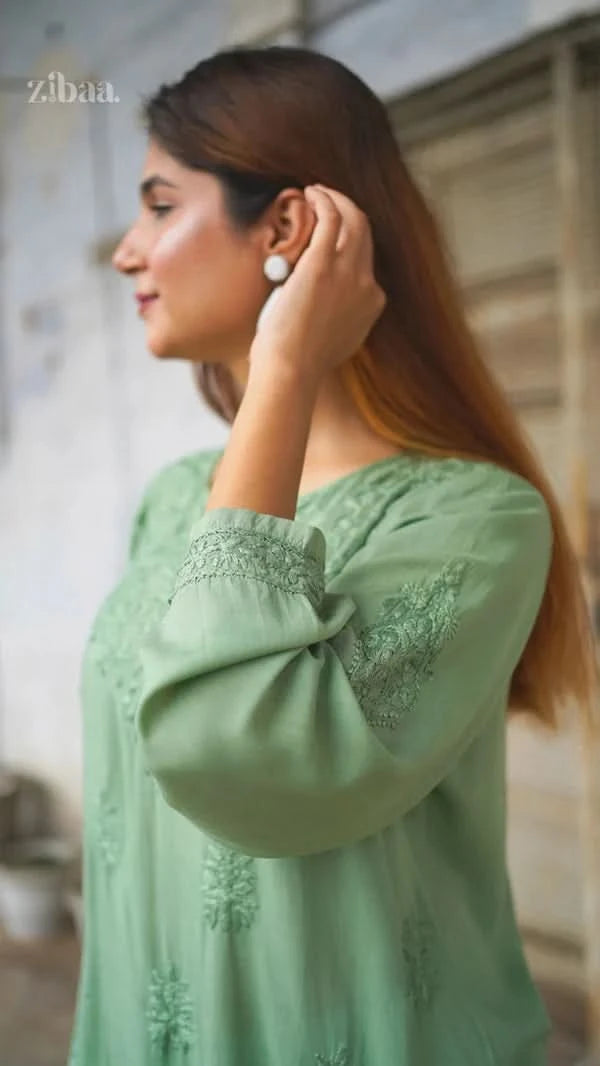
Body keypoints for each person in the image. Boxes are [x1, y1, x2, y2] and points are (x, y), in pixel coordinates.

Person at [68, 44, 598, 1066]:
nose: (127, 251)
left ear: (287, 228)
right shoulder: (178, 499)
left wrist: (285, 365)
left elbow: (240, 754)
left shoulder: (478, 520)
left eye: (160, 205)